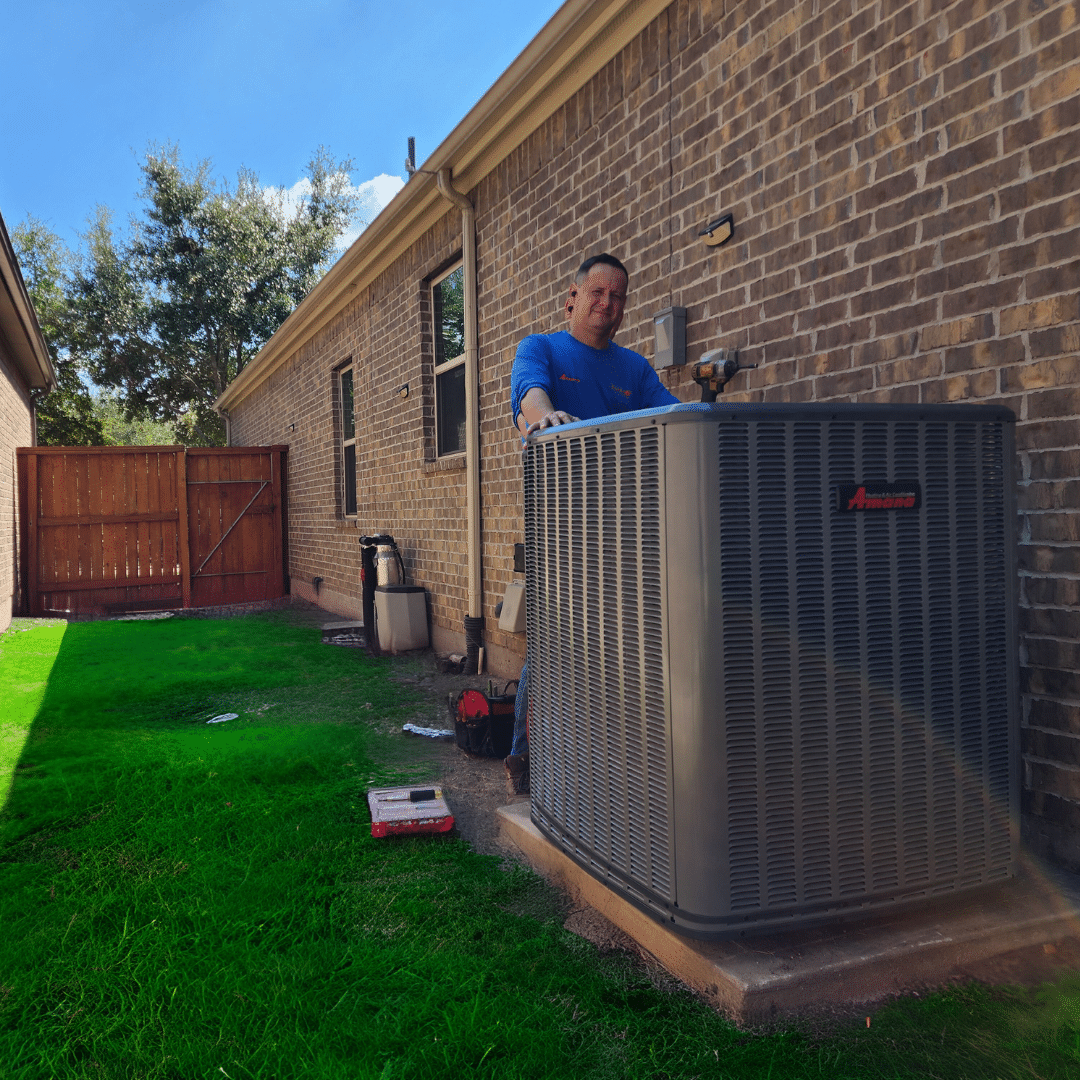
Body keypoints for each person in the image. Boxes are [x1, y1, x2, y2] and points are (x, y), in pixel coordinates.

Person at [505, 252, 679, 795]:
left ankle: (609, 759)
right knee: (554, 643)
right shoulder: (543, 348)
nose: (608, 304)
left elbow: (673, 417)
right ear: (573, 297)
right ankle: (524, 757)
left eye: (618, 296)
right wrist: (545, 417)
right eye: (598, 293)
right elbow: (528, 398)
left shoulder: (635, 370)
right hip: (563, 529)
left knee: (622, 642)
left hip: (629, 531)